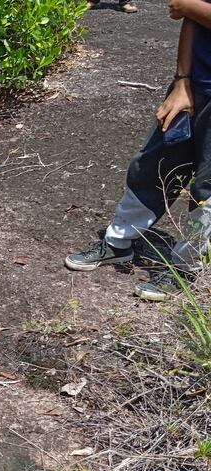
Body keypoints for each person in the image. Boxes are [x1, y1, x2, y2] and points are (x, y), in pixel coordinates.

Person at [65, 2, 211, 301]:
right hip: (193, 86)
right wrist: (182, 80)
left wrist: (190, 6)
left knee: (207, 189)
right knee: (153, 165)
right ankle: (118, 242)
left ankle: (186, 266)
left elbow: (186, 7)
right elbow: (188, 18)